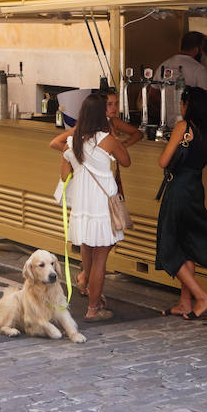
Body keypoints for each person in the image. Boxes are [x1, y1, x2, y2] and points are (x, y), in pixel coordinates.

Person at [52, 92, 130, 322]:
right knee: (100, 261)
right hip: (102, 208)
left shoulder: (73, 141)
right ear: (101, 115)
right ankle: (93, 308)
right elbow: (126, 162)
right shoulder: (109, 140)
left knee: (89, 253)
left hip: (82, 207)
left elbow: (65, 171)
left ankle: (87, 289)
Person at [155, 87, 207, 320]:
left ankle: (201, 297)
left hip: (178, 193)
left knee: (169, 247)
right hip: (196, 191)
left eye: (182, 103)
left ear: (187, 105)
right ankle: (185, 303)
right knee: (186, 248)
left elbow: (163, 161)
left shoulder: (182, 128)